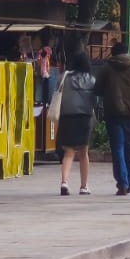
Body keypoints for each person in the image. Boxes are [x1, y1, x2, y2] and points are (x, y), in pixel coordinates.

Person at [95, 42, 130, 197]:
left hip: (113, 112)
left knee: (117, 148)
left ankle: (122, 183)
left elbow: (97, 89)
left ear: (113, 53)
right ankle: (129, 180)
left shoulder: (106, 68)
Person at [53, 52, 98, 196]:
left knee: (69, 152)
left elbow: (56, 92)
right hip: (84, 118)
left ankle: (64, 182)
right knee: (84, 153)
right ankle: (84, 186)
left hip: (67, 117)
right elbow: (95, 101)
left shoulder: (64, 78)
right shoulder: (92, 80)